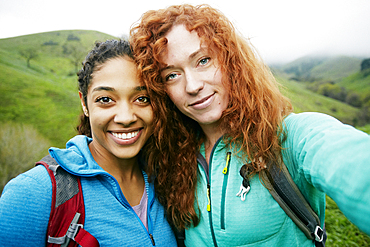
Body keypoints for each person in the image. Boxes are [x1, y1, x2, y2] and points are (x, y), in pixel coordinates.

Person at [129, 4, 370, 246]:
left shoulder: (290, 139)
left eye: (203, 60)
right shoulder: (171, 158)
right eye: (172, 75)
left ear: (230, 61)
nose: (192, 86)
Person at [0, 39, 177, 246]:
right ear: (84, 103)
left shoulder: (166, 179)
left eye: (142, 98)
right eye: (105, 99)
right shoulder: (33, 193)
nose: (126, 117)